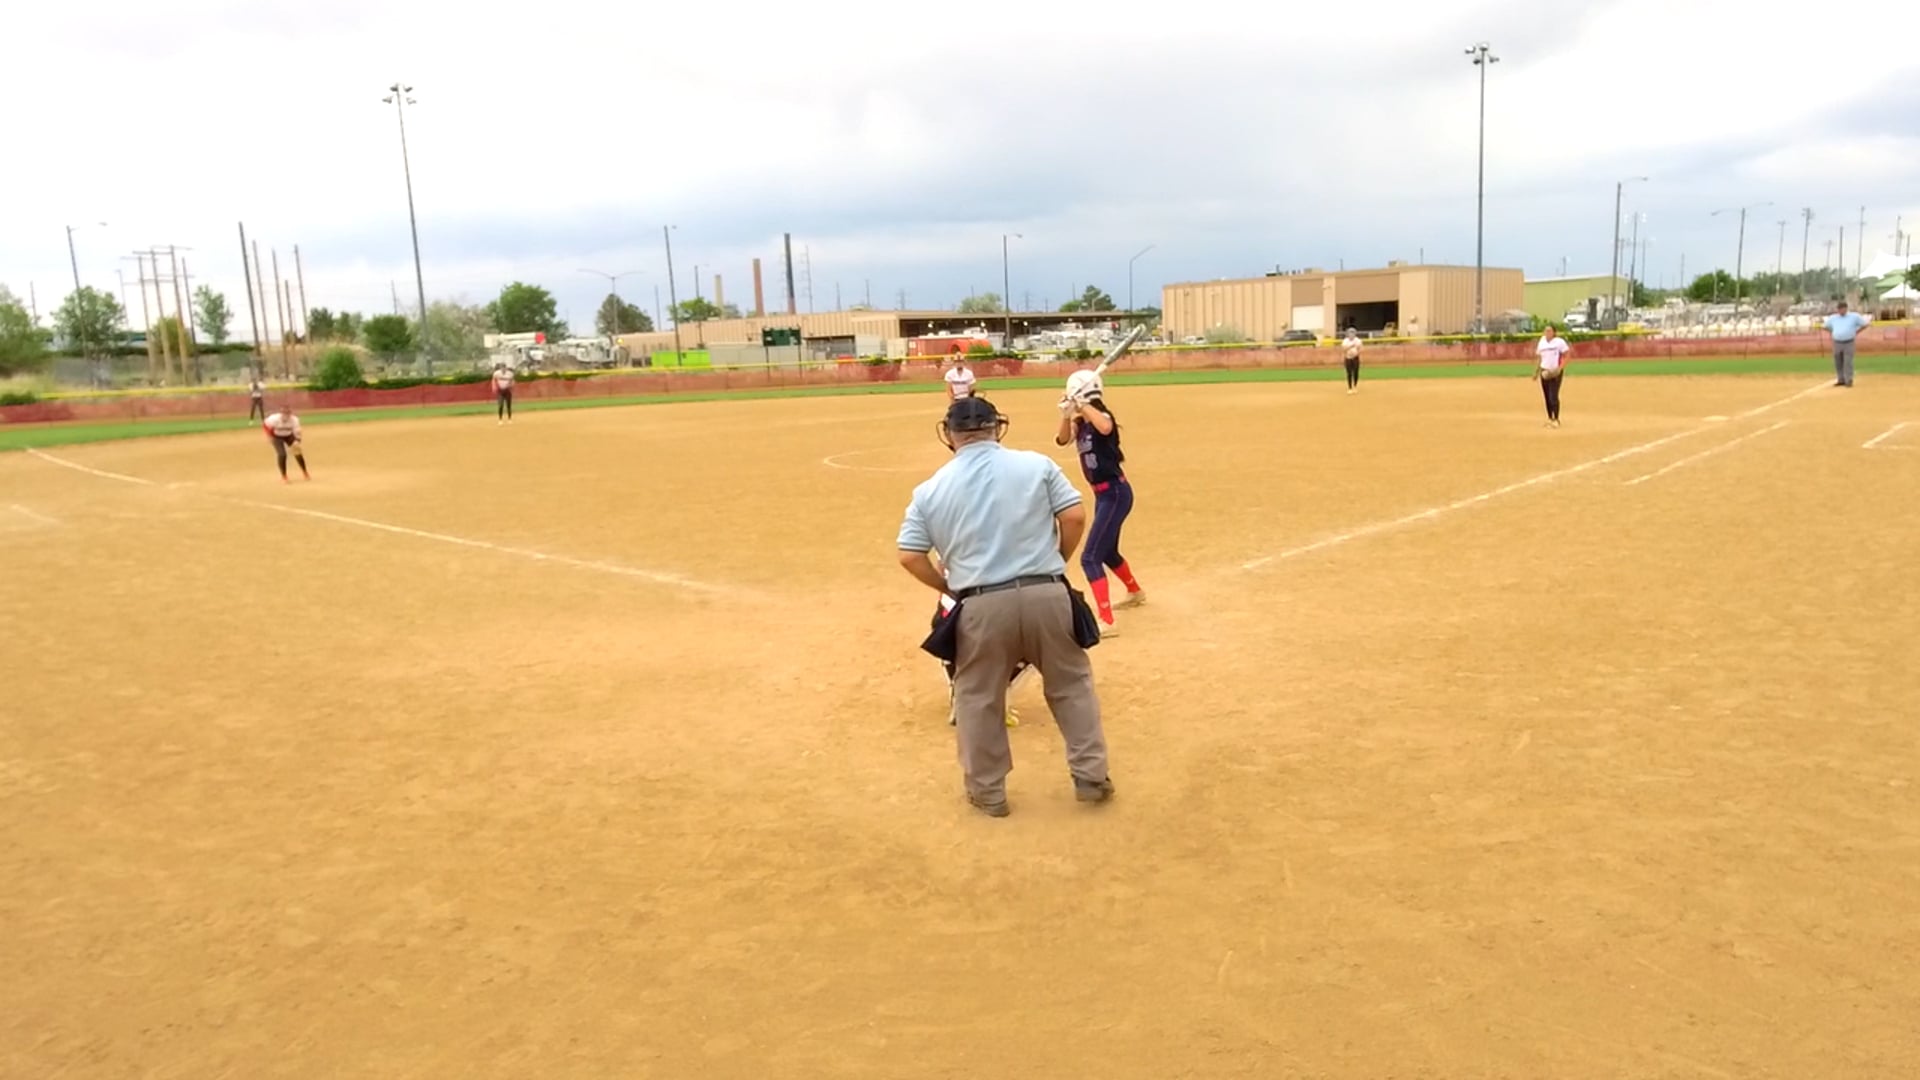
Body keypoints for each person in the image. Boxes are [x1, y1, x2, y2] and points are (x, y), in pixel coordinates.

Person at [897, 395, 1113, 817]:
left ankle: (989, 793)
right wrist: (1056, 562)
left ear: (949, 435)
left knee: (978, 699)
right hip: (1047, 593)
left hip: (980, 604)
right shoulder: (1036, 465)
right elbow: (1073, 517)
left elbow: (909, 555)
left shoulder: (929, 490)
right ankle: (1091, 777)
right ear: (997, 428)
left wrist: (948, 586)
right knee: (1072, 686)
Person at [1055, 368, 1145, 632]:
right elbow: (1062, 439)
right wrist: (1066, 414)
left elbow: (1105, 427)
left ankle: (1106, 620)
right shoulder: (1081, 423)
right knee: (1107, 551)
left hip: (1116, 493)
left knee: (1090, 557)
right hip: (1103, 495)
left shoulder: (1102, 417)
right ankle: (1135, 591)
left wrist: (1081, 403)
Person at [1822, 301, 1869, 388]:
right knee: (1838, 361)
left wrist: (1856, 332)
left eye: (1842, 309)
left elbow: (1865, 324)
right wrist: (1833, 332)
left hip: (1849, 342)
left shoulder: (1854, 316)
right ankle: (1841, 379)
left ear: (1846, 309)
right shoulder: (1833, 318)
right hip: (1837, 342)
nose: (1841, 311)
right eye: (1839, 309)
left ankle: (1848, 380)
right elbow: (1825, 326)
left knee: (1848, 361)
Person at [1533, 324, 1571, 428]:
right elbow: (1540, 358)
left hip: (1555, 371)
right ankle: (1550, 418)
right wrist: (1536, 372)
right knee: (1546, 396)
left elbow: (1567, 355)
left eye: (1549, 331)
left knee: (1553, 396)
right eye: (1546, 331)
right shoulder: (1542, 342)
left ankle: (1556, 419)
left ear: (1554, 332)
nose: (1547, 333)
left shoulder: (1559, 342)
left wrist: (1560, 368)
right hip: (1544, 371)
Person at [262, 405, 310, 483]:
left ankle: (305, 472)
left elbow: (297, 432)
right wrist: (269, 436)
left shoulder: (294, 420)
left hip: (288, 435)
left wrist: (296, 442)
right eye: (284, 413)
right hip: (276, 436)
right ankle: (284, 476)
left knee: (297, 451)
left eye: (288, 413)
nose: (286, 415)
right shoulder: (274, 419)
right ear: (281, 413)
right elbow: (265, 425)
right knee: (282, 454)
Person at [1340, 327, 1363, 394]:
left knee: (1355, 372)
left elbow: (1360, 349)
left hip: (1355, 358)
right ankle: (1350, 388)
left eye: (1353, 333)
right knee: (1349, 373)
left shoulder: (1358, 340)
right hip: (1348, 358)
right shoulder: (1345, 341)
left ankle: (1355, 386)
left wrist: (1356, 354)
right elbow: (1344, 349)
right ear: (1348, 334)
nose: (1351, 334)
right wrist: (1350, 346)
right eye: (1350, 333)